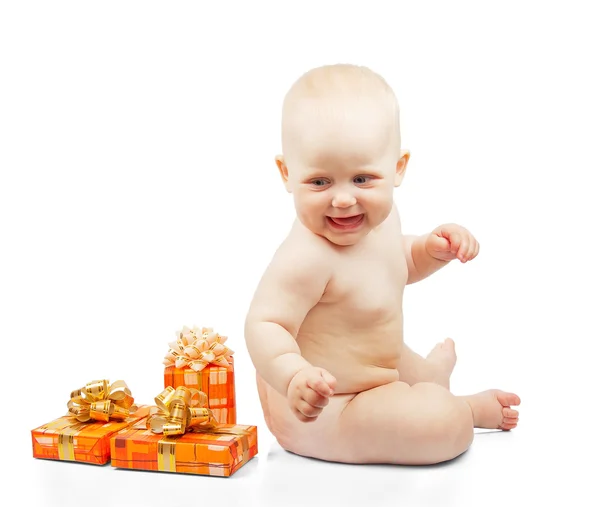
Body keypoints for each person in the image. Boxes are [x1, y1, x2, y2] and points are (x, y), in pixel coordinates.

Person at [244, 64, 520, 465]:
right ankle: (464, 410)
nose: (342, 199)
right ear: (287, 173)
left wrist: (430, 250)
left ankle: (431, 379)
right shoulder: (305, 258)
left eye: (362, 179)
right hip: (328, 407)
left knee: (412, 371)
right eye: (320, 182)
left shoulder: (384, 221)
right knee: (435, 426)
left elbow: (397, 263)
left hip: (379, 362)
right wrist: (293, 377)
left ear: (398, 169)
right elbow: (265, 324)